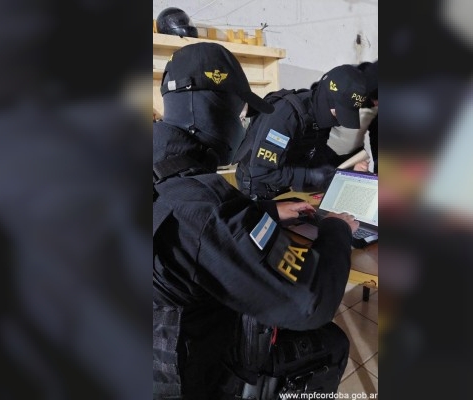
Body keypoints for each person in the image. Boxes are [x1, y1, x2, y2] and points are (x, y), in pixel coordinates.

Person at [153, 42, 359, 399]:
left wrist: (264, 212)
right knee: (331, 344)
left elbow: (188, 222)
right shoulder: (207, 206)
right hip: (189, 375)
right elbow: (310, 301)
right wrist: (337, 229)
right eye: (240, 114)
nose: (243, 125)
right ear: (215, 109)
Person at [234, 64, 368, 199]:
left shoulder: (317, 114)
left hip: (284, 186)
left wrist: (348, 169)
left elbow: (316, 154)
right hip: (259, 188)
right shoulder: (284, 116)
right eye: (338, 113)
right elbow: (262, 171)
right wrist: (312, 176)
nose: (338, 121)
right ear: (327, 100)